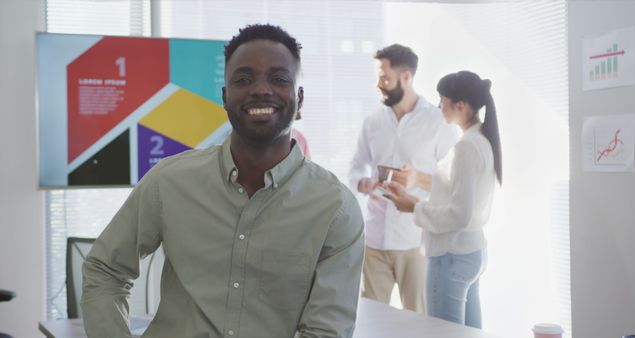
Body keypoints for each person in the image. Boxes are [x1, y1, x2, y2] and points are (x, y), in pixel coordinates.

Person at [81, 24, 365, 338]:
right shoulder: (170, 181)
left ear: (299, 98)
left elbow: (326, 331)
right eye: (244, 79)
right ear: (225, 97)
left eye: (279, 79)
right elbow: (105, 269)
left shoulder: (335, 208)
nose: (261, 89)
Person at [384, 70, 502, 329]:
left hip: (452, 255)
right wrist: (413, 200)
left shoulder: (466, 148)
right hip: (471, 253)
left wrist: (413, 207)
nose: (438, 107)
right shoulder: (482, 140)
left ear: (459, 106)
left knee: (443, 334)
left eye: (442, 101)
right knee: (469, 333)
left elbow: (459, 214)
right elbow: (457, 201)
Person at [348, 44, 458, 313]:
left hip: (415, 242)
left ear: (406, 77)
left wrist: (417, 179)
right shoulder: (372, 122)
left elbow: (454, 184)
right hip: (374, 241)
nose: (379, 84)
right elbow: (355, 169)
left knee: (419, 321)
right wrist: (365, 184)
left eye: (385, 78)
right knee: (371, 321)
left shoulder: (438, 121)